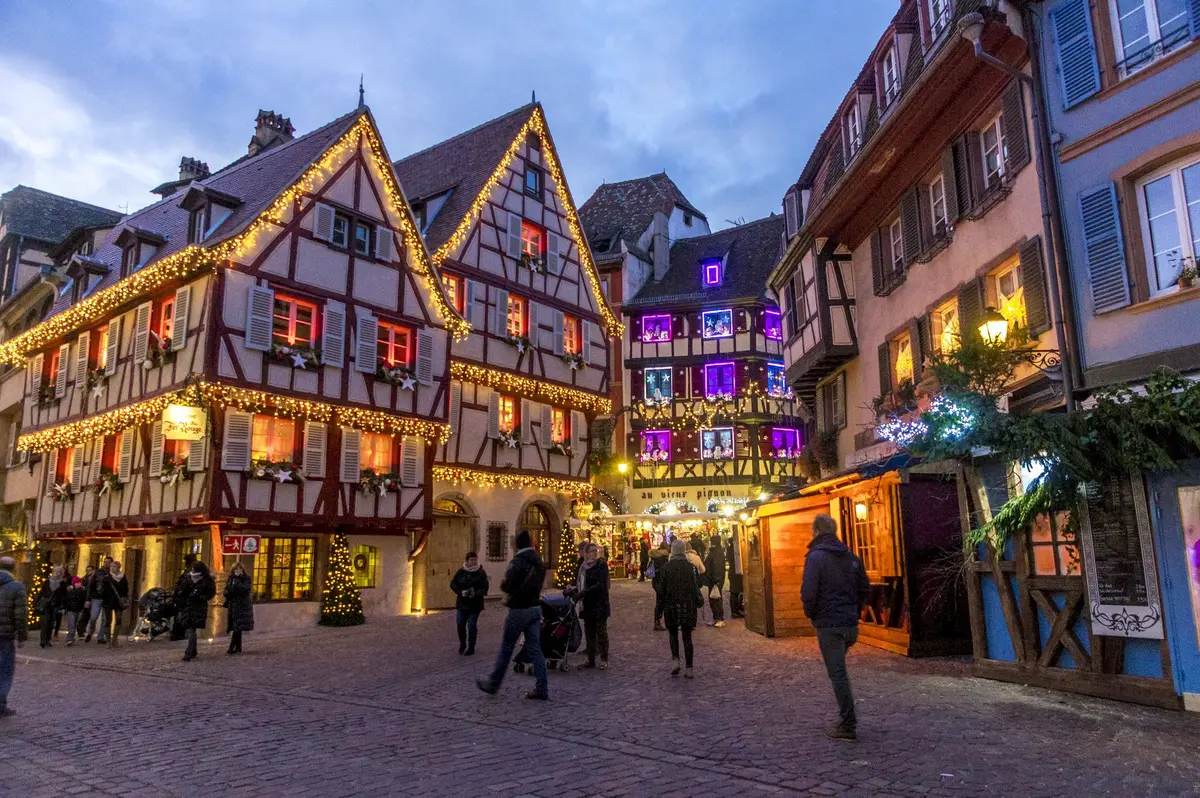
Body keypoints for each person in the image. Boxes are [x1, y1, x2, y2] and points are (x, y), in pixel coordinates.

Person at [801, 514, 869, 742]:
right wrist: (855, 610)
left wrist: (812, 614)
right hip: (850, 624)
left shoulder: (816, 558)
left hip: (829, 624)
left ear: (817, 531)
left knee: (838, 674)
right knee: (839, 670)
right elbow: (864, 588)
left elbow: (809, 592)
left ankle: (848, 724)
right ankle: (847, 720)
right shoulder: (851, 557)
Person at [476, 529, 548, 700]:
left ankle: (493, 683)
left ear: (517, 545)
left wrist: (505, 586)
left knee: (506, 648)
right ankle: (542, 687)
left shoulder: (518, 562)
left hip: (518, 610)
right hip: (534, 608)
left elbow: (507, 585)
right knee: (535, 649)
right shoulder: (539, 561)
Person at [660, 539, 703, 678]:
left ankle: (675, 661)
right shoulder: (691, 567)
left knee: (673, 634)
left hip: (671, 605)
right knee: (687, 637)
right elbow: (698, 585)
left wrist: (658, 610)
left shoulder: (666, 567)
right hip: (688, 605)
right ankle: (689, 668)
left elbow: (662, 590)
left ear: (672, 551)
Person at [574, 543, 610, 669]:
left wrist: (583, 593)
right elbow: (578, 582)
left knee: (601, 632)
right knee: (589, 633)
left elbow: (601, 584)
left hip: (600, 603)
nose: (595, 553)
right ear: (586, 553)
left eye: (596, 550)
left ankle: (604, 659)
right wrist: (573, 589)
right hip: (587, 604)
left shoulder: (601, 565)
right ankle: (590, 659)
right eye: (592, 551)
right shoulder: (583, 567)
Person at [0, 556, 27, 717]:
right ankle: (0, 705)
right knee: (4, 671)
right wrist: (22, 636)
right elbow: (20, 615)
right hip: (5, 635)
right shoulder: (16, 587)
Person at [450, 551, 488, 655]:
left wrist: (475, 593)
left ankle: (471, 647)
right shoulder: (461, 572)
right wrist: (460, 592)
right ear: (467, 561)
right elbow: (453, 584)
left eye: (475, 559)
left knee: (472, 625)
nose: (474, 562)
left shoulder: (481, 572)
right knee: (460, 624)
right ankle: (462, 644)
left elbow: (485, 588)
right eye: (471, 560)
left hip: (475, 604)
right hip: (462, 603)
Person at [177, 561, 215, 662]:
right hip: (188, 605)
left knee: (192, 629)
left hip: (199, 606)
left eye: (195, 569)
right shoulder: (188, 577)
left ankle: (188, 653)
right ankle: (193, 651)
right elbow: (182, 590)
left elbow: (211, 593)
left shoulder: (207, 579)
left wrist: (200, 596)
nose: (193, 570)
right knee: (191, 629)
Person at [223, 562, 254, 655]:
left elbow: (246, 589)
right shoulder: (231, 578)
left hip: (242, 606)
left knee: (237, 626)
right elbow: (226, 590)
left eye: (240, 569)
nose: (238, 571)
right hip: (233, 605)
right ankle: (238, 647)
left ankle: (232, 647)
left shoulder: (246, 578)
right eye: (236, 569)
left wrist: (237, 584)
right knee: (237, 626)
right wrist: (228, 592)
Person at [37, 566, 68, 648]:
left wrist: (63, 607)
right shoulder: (47, 581)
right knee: (45, 623)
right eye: (56, 572)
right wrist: (37, 603)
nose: (57, 574)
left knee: (51, 624)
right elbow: (41, 592)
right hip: (46, 605)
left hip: (56, 606)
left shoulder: (62, 583)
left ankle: (47, 639)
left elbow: (64, 595)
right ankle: (43, 641)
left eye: (60, 572)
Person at [84, 557, 113, 643]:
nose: (106, 563)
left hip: (107, 598)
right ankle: (90, 631)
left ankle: (100, 637)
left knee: (105, 619)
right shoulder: (98, 572)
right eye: (105, 562)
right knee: (93, 617)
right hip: (96, 597)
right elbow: (90, 585)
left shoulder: (113, 573)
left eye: (108, 562)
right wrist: (88, 599)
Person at [170, 554, 197, 641]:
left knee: (180, 616)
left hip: (183, 598)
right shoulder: (188, 572)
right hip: (182, 598)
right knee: (180, 616)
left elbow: (184, 585)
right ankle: (178, 633)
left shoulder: (189, 572)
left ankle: (178, 633)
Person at [103, 561, 129, 647]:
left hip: (119, 602)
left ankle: (115, 640)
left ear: (118, 567)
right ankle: (108, 641)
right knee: (108, 620)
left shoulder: (123, 577)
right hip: (108, 601)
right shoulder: (107, 577)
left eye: (114, 566)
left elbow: (126, 590)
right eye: (111, 567)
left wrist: (126, 599)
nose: (112, 568)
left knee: (118, 620)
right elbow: (102, 589)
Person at [704, 535, 727, 628]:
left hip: (715, 580)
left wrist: (715, 580)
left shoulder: (716, 553)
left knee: (716, 599)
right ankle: (716, 618)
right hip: (714, 579)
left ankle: (719, 618)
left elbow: (716, 567)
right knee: (713, 598)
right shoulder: (716, 552)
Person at [650, 542, 670, 631]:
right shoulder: (665, 558)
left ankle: (657, 621)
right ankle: (660, 622)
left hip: (656, 582)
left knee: (660, 601)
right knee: (663, 601)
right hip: (663, 582)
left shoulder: (655, 557)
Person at [63, 576, 86, 646]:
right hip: (71, 610)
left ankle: (71, 638)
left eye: (80, 583)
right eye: (77, 583)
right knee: (72, 624)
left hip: (78, 610)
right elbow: (66, 600)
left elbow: (83, 600)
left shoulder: (83, 591)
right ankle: (70, 638)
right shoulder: (70, 591)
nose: (79, 584)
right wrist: (65, 608)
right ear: (74, 583)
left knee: (74, 624)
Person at [727, 536, 745, 619]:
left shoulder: (729, 549)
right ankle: (735, 611)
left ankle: (737, 608)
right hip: (735, 573)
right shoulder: (734, 551)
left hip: (733, 572)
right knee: (735, 592)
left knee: (736, 592)